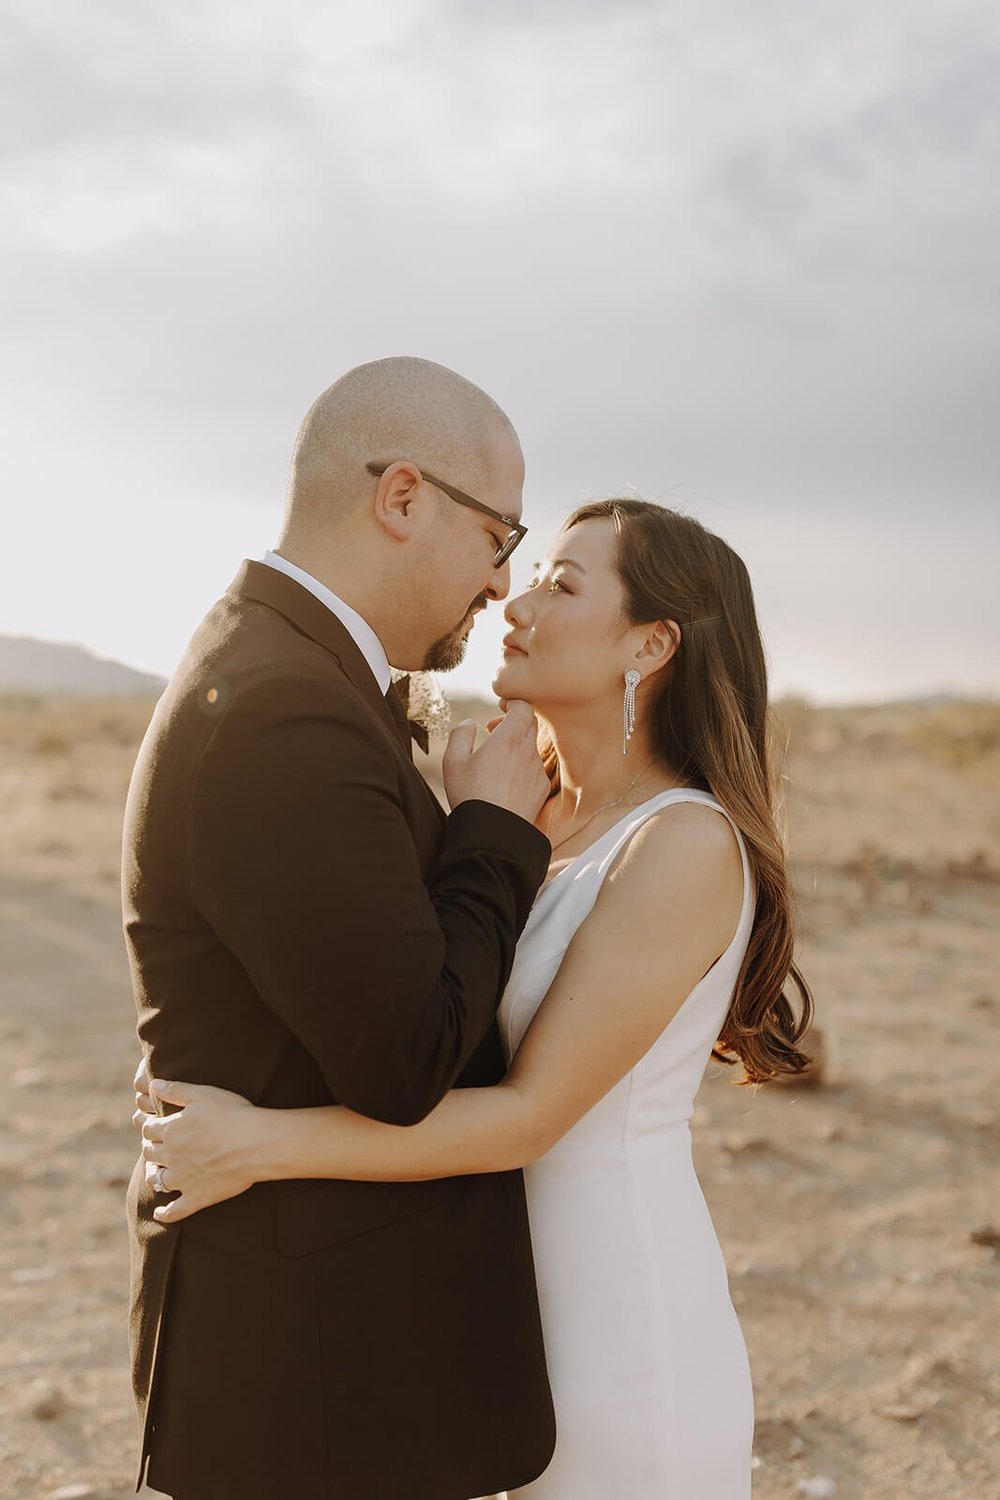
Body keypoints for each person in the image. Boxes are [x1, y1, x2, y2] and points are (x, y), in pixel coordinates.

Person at [137, 497, 814, 1498]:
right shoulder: (521, 815)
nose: (516, 600)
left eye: (563, 584)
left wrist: (261, 1146)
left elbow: (529, 1118)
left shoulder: (683, 844)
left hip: (607, 1309)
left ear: (652, 642)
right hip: (479, 1302)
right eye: (532, 572)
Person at [122, 356, 559, 1500]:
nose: (504, 583)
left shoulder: (293, 671)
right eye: (501, 536)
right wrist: (495, 834)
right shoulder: (280, 705)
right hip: (312, 1379)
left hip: (328, 1349)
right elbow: (408, 1053)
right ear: (403, 498)